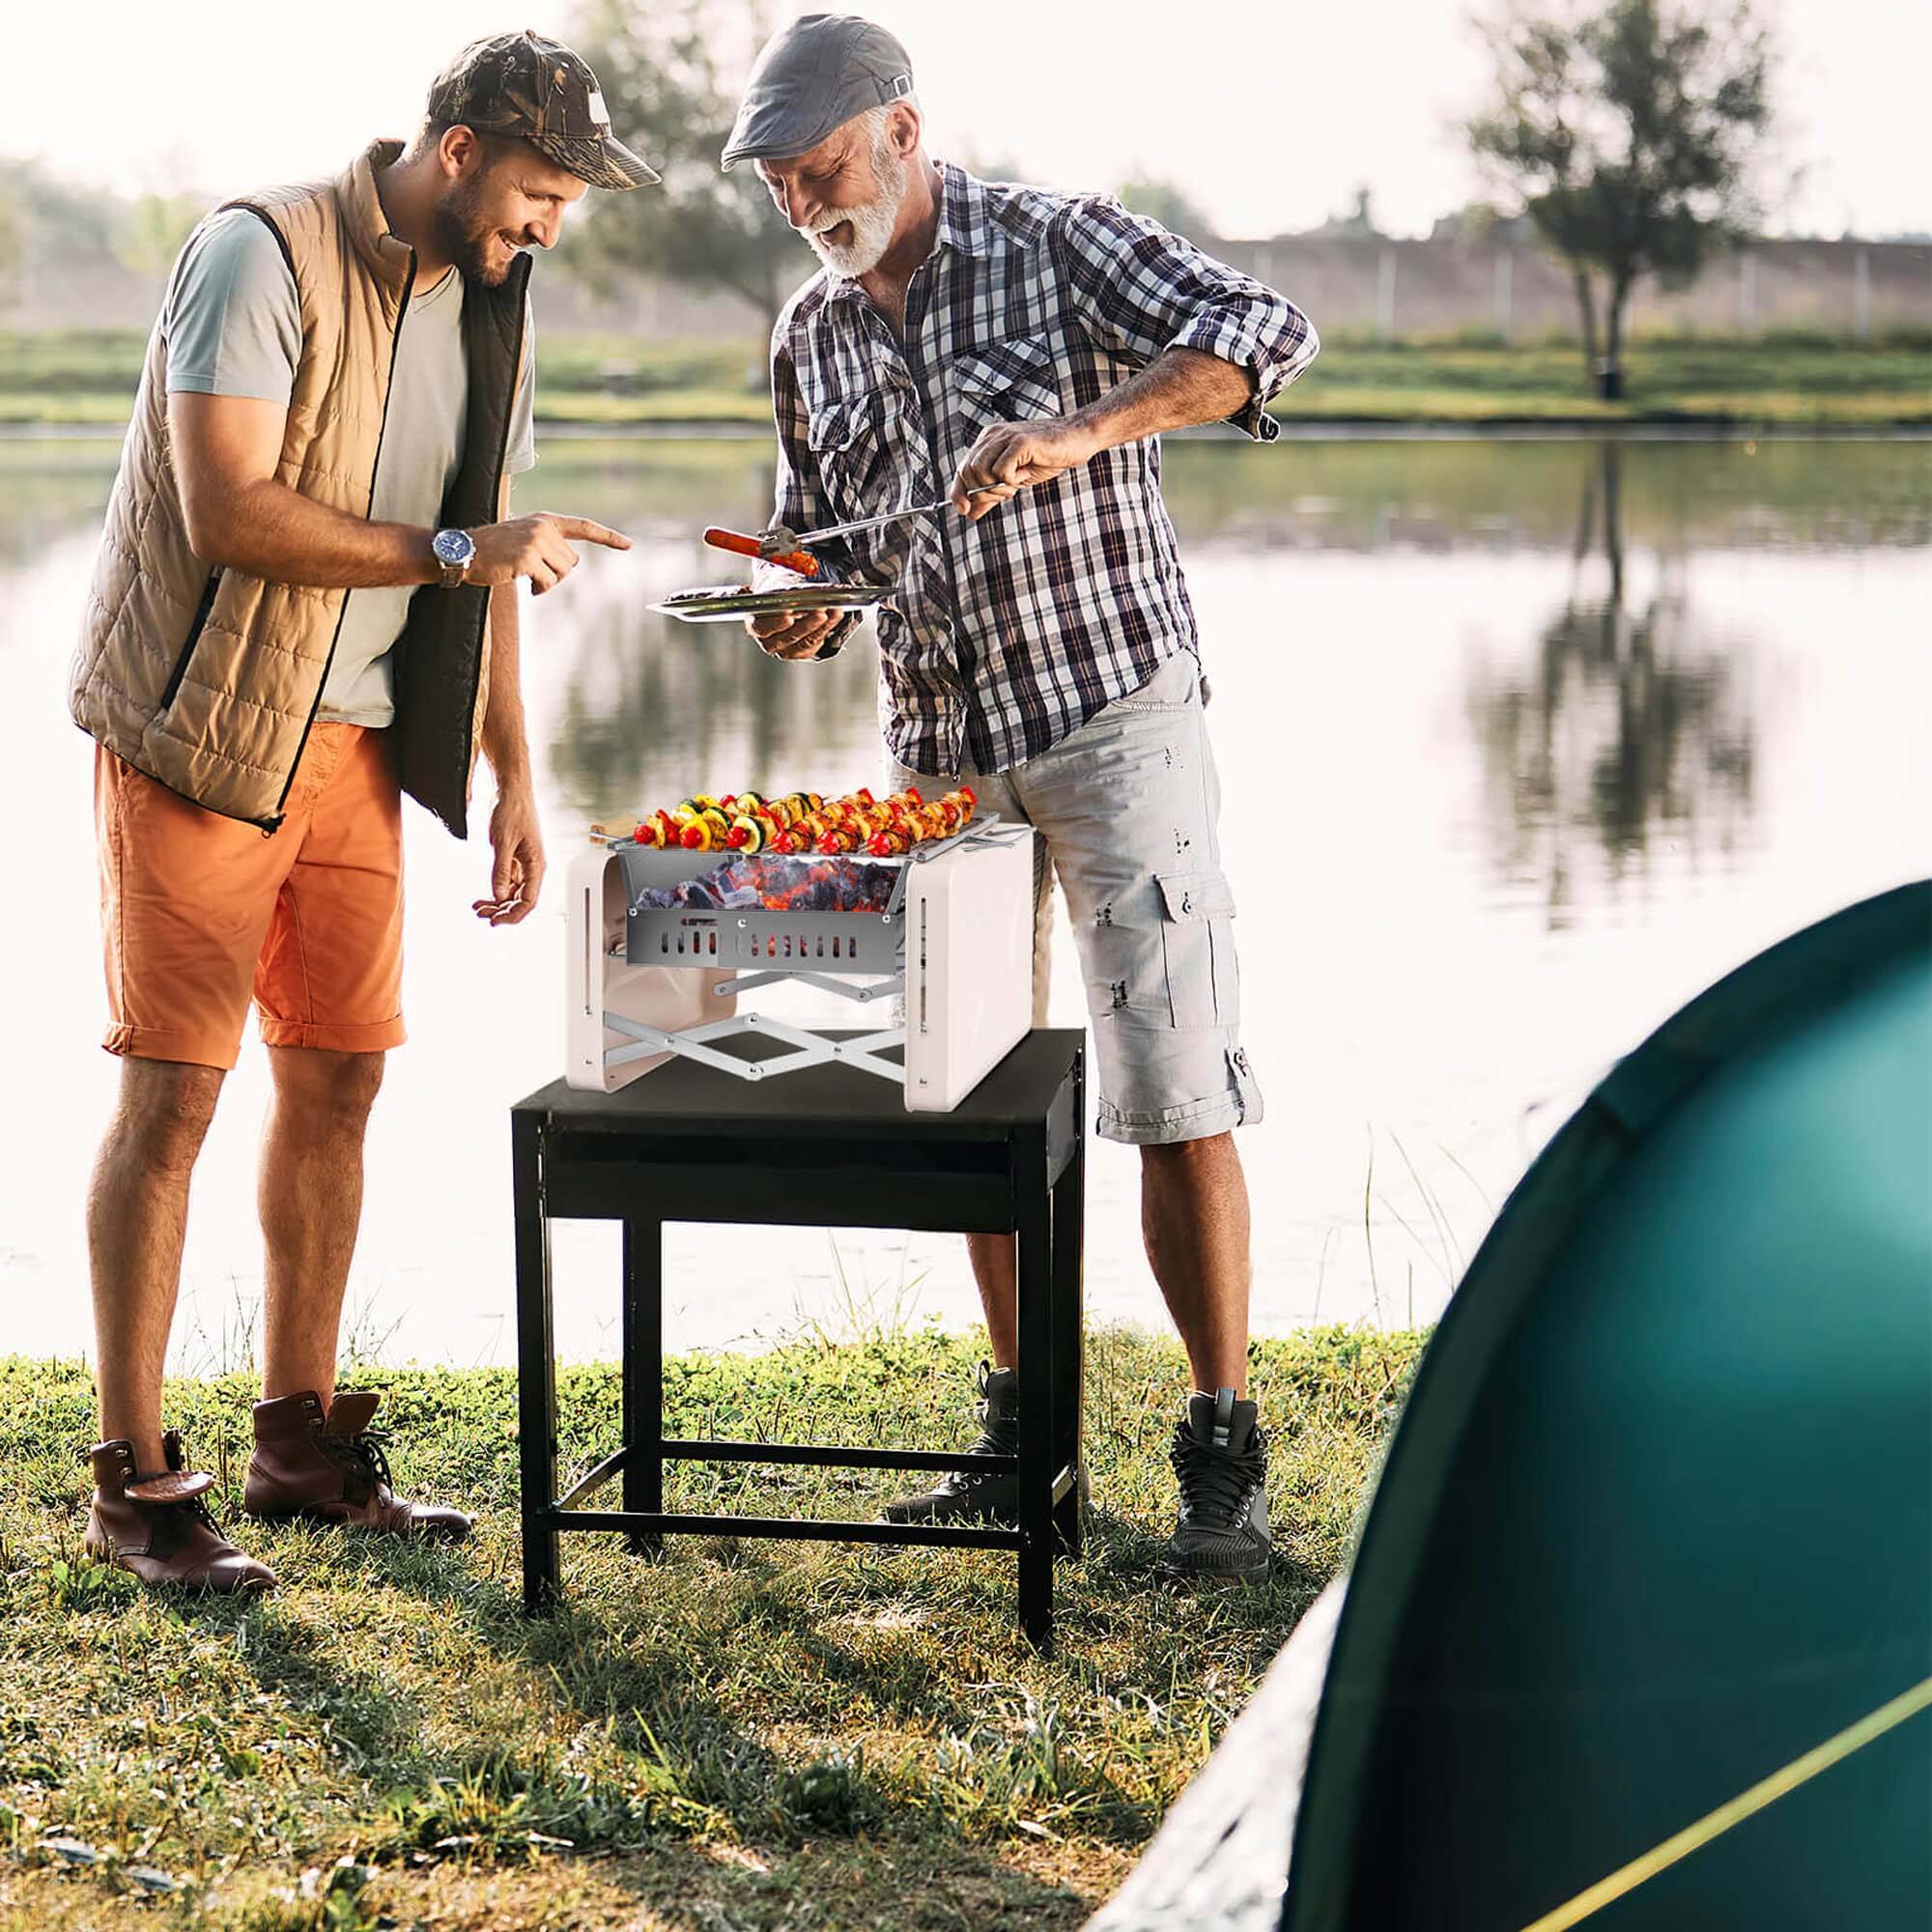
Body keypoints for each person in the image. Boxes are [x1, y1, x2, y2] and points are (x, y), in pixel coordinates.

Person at [724, 16, 1319, 1580]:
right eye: (781, 184)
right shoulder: (807, 332)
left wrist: (1077, 433)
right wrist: (796, 604)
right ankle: (1022, 1439)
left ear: (902, 130)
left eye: (822, 168)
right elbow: (822, 537)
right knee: (966, 1096)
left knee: (1173, 1082)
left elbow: (1265, 330)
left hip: (1114, 718)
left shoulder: (1055, 243)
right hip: (939, 748)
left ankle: (1220, 1457)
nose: (804, 202)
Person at [67, 31, 650, 1592]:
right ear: (457, 151)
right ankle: (133, 1482)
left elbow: (494, 544)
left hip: (364, 749)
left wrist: (517, 771)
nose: (551, 226)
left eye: (567, 204)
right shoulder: (257, 254)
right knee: (173, 1100)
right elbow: (229, 507)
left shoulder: (494, 300)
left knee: (338, 1082)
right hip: (202, 736)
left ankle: (298, 1444)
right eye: (539, 193)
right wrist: (455, 556)